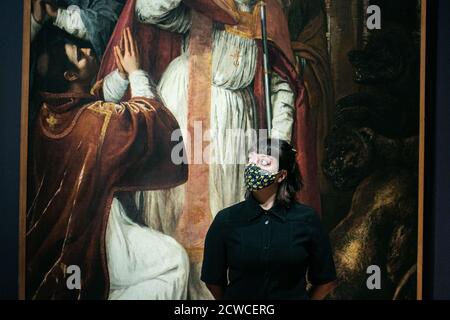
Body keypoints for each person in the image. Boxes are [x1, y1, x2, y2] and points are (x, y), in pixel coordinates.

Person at [27, 27, 189, 299]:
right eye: (79, 56)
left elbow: (93, 102)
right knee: (174, 262)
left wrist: (121, 76)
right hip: (94, 233)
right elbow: (147, 125)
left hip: (62, 238)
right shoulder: (93, 125)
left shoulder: (49, 114)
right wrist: (137, 73)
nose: (89, 51)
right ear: (70, 76)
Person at [201, 138, 337, 299]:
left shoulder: (307, 219)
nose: (253, 167)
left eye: (263, 162)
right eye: (250, 160)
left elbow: (326, 280)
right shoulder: (226, 220)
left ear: (281, 175)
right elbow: (212, 280)